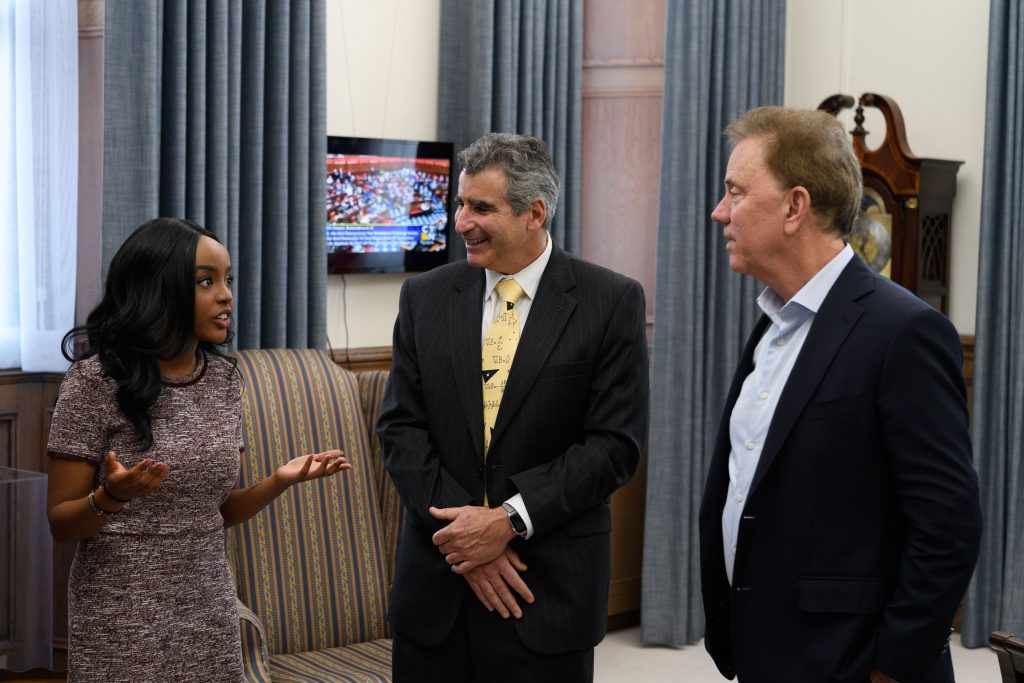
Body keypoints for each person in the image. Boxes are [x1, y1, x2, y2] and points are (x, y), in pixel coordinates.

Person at [698, 107, 982, 683]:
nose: (719, 211)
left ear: (794, 206)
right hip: (767, 649)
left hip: (852, 661)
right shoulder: (771, 324)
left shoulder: (904, 332)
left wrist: (891, 669)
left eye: (735, 192)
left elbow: (947, 527)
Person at [377, 132, 649, 682]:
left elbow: (613, 447)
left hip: (545, 596)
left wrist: (507, 521)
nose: (460, 222)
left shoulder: (611, 301)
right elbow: (400, 428)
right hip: (436, 596)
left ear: (534, 213)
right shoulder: (423, 296)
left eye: (481, 207)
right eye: (460, 203)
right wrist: (467, 539)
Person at [46, 218, 350, 682]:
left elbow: (216, 513)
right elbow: (61, 524)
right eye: (206, 282)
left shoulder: (224, 379)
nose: (226, 295)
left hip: (209, 608)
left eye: (227, 280)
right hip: (121, 615)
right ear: (157, 290)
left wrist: (279, 481)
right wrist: (114, 497)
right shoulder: (94, 382)